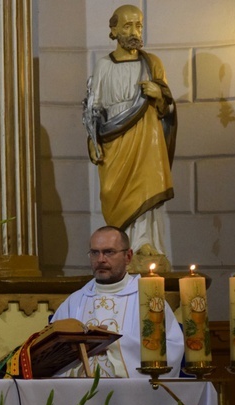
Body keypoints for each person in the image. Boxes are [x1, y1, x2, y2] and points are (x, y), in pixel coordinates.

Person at [83, 4, 176, 264]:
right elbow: (94, 109)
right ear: (113, 30)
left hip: (147, 139)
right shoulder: (104, 66)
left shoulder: (152, 63)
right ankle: (118, 247)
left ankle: (145, 243)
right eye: (127, 25)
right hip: (114, 141)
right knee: (115, 192)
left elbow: (166, 108)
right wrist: (92, 139)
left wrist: (159, 95)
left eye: (138, 25)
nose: (134, 31)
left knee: (147, 187)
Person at [51, 226, 183, 378]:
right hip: (81, 394)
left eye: (109, 252)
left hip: (131, 395)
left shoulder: (148, 299)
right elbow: (53, 353)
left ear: (128, 256)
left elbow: (173, 347)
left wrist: (109, 342)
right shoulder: (75, 301)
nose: (100, 259)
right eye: (95, 252)